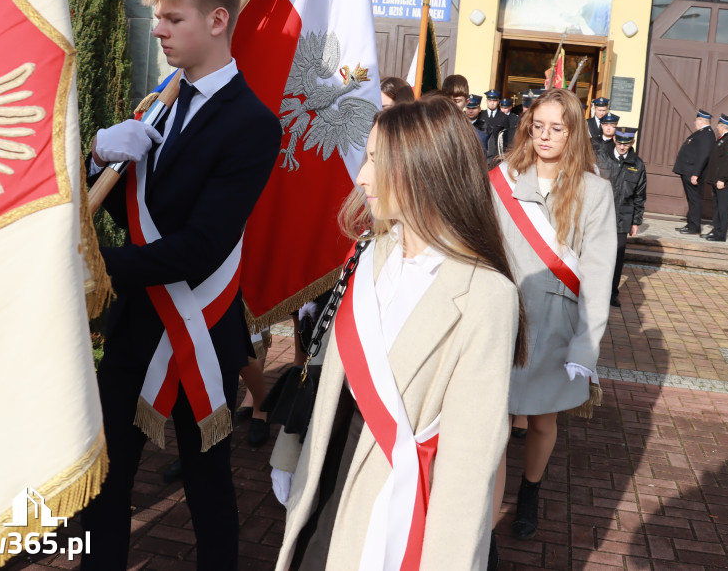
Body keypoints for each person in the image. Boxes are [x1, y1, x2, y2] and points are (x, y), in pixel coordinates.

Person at [81, 0, 282, 571]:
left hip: (200, 326)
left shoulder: (252, 123)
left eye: (172, 18)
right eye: (157, 20)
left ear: (218, 20)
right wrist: (97, 158)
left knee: (206, 486)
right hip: (139, 321)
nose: (159, 30)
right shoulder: (160, 105)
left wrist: (93, 267)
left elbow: (201, 245)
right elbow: (134, 219)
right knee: (107, 480)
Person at [271, 97, 525, 571]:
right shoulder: (369, 257)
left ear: (425, 170)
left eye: (375, 160)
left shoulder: (487, 295)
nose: (362, 176)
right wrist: (290, 445)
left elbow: (470, 463)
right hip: (330, 481)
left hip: (401, 501)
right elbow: (326, 368)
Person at [490, 88, 615, 543]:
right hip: (505, 319)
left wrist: (587, 346)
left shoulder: (595, 192)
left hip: (558, 325)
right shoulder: (501, 179)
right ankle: (487, 510)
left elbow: (600, 274)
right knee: (496, 417)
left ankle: (530, 490)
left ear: (573, 132)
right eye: (537, 126)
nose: (545, 136)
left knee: (542, 419)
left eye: (556, 128)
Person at [595, 128, 647, 307]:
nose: (622, 147)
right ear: (615, 140)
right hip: (599, 215)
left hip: (622, 217)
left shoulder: (637, 164)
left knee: (617, 258)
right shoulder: (601, 157)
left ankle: (611, 294)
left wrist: (636, 221)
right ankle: (593, 291)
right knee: (595, 254)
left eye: (626, 144)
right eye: (619, 143)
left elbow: (640, 195)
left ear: (632, 143)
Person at [672, 108, 715, 235]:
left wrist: (696, 174)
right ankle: (691, 224)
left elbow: (704, 155)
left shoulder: (707, 134)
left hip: (692, 172)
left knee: (694, 200)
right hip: (688, 170)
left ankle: (694, 227)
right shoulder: (702, 133)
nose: (694, 122)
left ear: (702, 121)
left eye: (696, 120)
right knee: (692, 200)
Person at [703, 114, 728, 242]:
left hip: (723, 182)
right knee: (718, 208)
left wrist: (722, 179)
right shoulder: (723, 139)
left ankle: (721, 234)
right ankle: (716, 230)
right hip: (717, 180)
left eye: (718, 125)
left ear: (723, 126)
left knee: (723, 209)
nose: (717, 127)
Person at [486, 96, 515, 162]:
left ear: (510, 107)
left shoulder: (515, 118)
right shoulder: (496, 116)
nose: (503, 110)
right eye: (502, 107)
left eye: (506, 108)